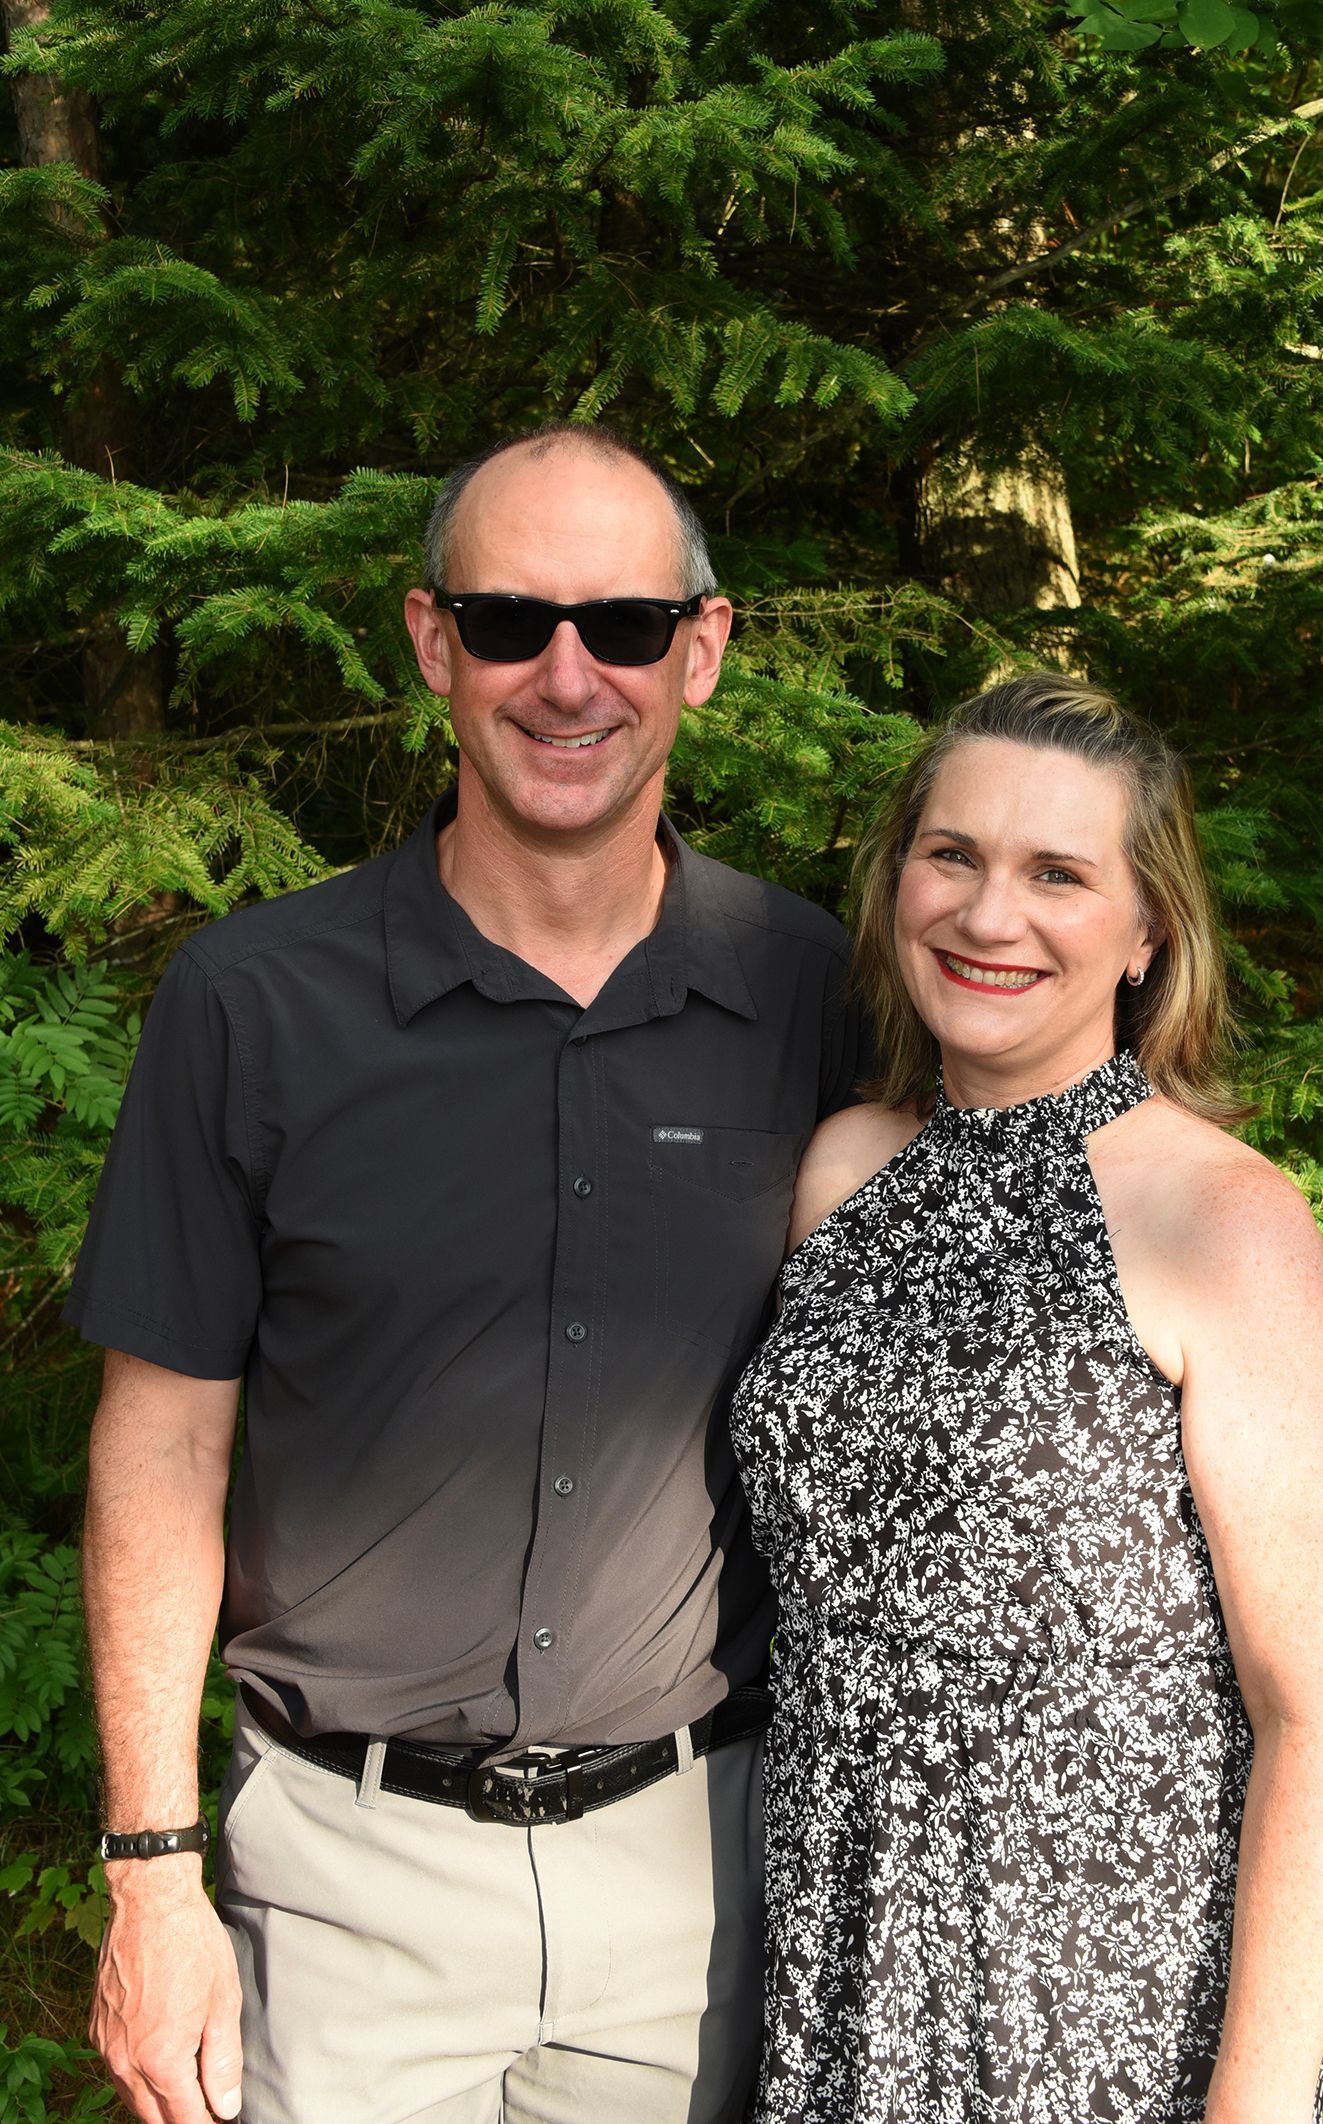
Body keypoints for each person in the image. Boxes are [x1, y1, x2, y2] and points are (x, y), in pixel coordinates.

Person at [69, 423, 866, 2124]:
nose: (567, 676)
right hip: (338, 1900)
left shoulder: (821, 1003)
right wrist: (151, 1870)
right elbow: (159, 1447)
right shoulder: (249, 1005)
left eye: (624, 627)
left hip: (699, 1888)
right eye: (510, 623)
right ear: (432, 643)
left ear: (702, 654)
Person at [729, 674, 1323, 2124]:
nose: (986, 916)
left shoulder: (1225, 1224)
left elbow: (1322, 1716)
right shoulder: (843, 1171)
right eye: (952, 855)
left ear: (1147, 930)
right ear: (897, 876)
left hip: (1105, 2002)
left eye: (1058, 875)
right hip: (845, 1957)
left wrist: (1260, 2099)